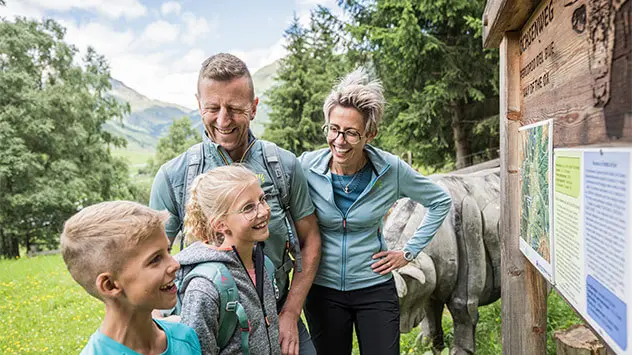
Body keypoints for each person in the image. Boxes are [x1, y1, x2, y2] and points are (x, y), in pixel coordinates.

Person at [150, 53, 320, 355]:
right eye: (212, 108)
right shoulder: (174, 176)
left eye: (235, 108)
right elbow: (151, 258)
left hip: (276, 312)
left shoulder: (283, 167)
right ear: (199, 104)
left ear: (253, 108)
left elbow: (310, 240)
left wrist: (291, 313)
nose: (223, 120)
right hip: (213, 322)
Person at [299, 68, 453, 355]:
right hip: (323, 290)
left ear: (370, 134)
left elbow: (439, 201)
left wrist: (407, 252)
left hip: (374, 288)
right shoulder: (307, 166)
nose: (339, 141)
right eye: (333, 129)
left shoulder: (391, 170)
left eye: (351, 133)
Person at [60, 201, 201, 355]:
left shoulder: (185, 337)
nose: (175, 264)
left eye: (168, 250)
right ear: (110, 285)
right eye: (155, 259)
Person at [176, 165, 280, 354]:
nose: (264, 211)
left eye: (262, 199)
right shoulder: (205, 287)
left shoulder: (263, 264)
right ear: (220, 224)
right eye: (248, 208)